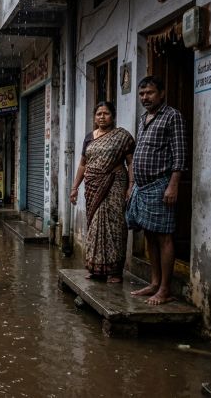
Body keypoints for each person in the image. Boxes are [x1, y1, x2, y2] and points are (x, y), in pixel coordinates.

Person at [126, 76, 187, 305]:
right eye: (142, 94)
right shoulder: (144, 119)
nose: (145, 98)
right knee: (150, 234)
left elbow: (180, 155)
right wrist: (132, 185)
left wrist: (173, 185)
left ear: (161, 93)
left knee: (164, 236)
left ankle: (165, 289)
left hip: (161, 185)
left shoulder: (172, 117)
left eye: (150, 93)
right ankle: (153, 282)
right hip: (143, 187)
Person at [70, 101, 135, 283]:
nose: (102, 117)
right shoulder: (89, 138)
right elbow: (83, 164)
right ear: (94, 117)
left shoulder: (122, 137)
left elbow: (131, 162)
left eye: (106, 113)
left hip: (115, 184)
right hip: (92, 186)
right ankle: (95, 268)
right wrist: (74, 187)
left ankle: (115, 271)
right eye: (98, 114)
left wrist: (131, 185)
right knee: (94, 227)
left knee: (115, 225)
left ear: (113, 116)